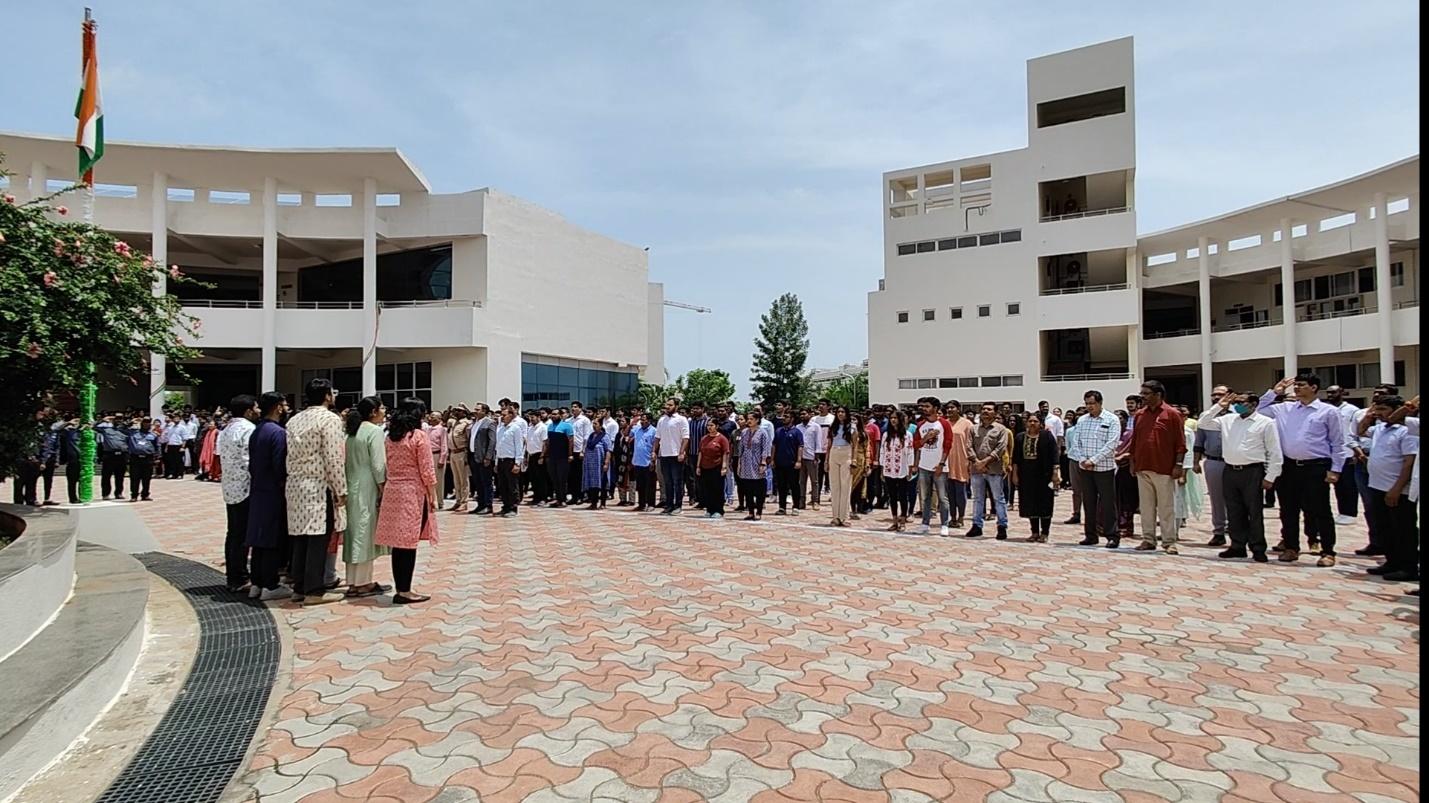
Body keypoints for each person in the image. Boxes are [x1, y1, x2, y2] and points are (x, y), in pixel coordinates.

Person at [1259, 372, 1348, 567]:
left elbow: (1338, 443)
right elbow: (1257, 409)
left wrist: (1336, 469)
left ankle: (1327, 550)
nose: (1297, 388)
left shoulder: (1328, 411)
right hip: (1289, 466)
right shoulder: (1284, 409)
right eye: (1296, 385)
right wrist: (1274, 392)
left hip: (1316, 466)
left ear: (1314, 387)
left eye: (1302, 385)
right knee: (1288, 509)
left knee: (1320, 510)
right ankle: (1291, 547)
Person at [285, 378, 348, 606]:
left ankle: (299, 586)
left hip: (295, 484)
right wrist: (341, 488)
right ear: (327, 396)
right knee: (319, 537)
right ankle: (314, 589)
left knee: (300, 537)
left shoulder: (294, 419)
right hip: (318, 485)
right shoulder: (329, 419)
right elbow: (333, 457)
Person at [1198, 391, 1281, 562]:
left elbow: (1274, 451)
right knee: (1234, 511)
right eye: (1236, 402)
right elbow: (1203, 422)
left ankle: (1258, 547)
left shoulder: (1265, 423)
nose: (1237, 405)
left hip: (1252, 471)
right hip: (1230, 470)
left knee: (1254, 512)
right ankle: (1237, 546)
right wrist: (1219, 406)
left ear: (1254, 404)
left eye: (1242, 402)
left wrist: (1271, 476)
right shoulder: (1227, 420)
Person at [374, 397, 439, 604]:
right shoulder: (418, 436)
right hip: (412, 492)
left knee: (399, 544)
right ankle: (404, 590)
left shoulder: (391, 437)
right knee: (409, 543)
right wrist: (433, 495)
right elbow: (427, 470)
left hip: (393, 490)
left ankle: (401, 587)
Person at [1359, 395, 1419, 582]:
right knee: (1385, 528)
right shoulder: (1380, 429)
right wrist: (1368, 417)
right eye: (1377, 409)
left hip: (1397, 490)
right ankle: (1392, 561)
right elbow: (1360, 431)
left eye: (1383, 409)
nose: (1379, 413)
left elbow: (1409, 462)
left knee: (1403, 530)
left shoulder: (1407, 431)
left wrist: (1397, 488)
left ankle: (1408, 567)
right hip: (1377, 486)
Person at [1123, 380, 1186, 555]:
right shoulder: (1140, 415)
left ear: (1158, 395)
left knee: (1166, 507)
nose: (1142, 397)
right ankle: (1148, 539)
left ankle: (1169, 541)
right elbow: (1135, 441)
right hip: (1143, 467)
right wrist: (1133, 462)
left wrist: (1178, 464)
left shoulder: (1172, 414)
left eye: (1146, 393)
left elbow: (1181, 443)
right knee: (1146, 506)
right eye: (1141, 393)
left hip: (1164, 468)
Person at [245, 393, 291, 600]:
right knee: (272, 538)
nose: (287, 408)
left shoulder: (257, 431)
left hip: (257, 489)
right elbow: (280, 465)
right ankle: (270, 585)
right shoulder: (278, 433)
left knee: (258, 538)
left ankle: (257, 582)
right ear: (278, 408)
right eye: (284, 404)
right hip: (273, 491)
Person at [343, 396, 391, 598]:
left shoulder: (351, 433)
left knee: (353, 531)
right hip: (367, 485)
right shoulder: (374, 431)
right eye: (381, 408)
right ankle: (363, 582)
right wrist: (383, 489)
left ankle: (353, 581)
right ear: (373, 412)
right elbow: (379, 465)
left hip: (351, 483)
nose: (384, 412)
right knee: (364, 530)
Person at [1349, 384, 1399, 557]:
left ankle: (1398, 550)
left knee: (1395, 510)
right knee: (1372, 506)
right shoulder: (1366, 417)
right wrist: (1360, 454)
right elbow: (1354, 435)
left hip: (1392, 468)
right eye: (1375, 394)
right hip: (1364, 462)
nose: (1376, 397)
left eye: (1382, 395)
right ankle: (1377, 542)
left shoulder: (1404, 424)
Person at [1066, 391, 1121, 547]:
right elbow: (1076, 442)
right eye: (1087, 403)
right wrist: (1083, 460)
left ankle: (1112, 535)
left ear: (1100, 403)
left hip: (1104, 468)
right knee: (1088, 502)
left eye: (1092, 403)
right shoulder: (1082, 420)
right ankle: (1090, 535)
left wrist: (1094, 460)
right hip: (1085, 468)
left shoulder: (1111, 419)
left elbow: (1112, 444)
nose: (1089, 406)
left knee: (1108, 502)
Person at [218, 395, 259, 593]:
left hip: (230, 487)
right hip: (246, 488)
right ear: (248, 411)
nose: (258, 411)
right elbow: (250, 460)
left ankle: (233, 575)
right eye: (256, 407)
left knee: (233, 533)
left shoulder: (225, 430)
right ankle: (240, 576)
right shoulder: (248, 429)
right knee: (243, 534)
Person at [1193, 386, 1232, 547]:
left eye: (1220, 394)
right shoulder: (1206, 417)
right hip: (1214, 461)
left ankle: (1237, 530)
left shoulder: (1238, 414)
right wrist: (1196, 462)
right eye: (1214, 395)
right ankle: (1219, 531)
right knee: (1216, 499)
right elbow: (1199, 442)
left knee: (1237, 499)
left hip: (1235, 462)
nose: (1216, 397)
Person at [1011, 412, 1059, 542]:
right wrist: (1015, 474)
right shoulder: (1020, 437)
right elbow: (1015, 458)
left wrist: (1055, 473)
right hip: (1027, 475)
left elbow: (1055, 455)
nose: (1032, 423)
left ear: (1041, 424)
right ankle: (1034, 532)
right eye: (1030, 421)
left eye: (1035, 421)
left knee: (1044, 503)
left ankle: (1045, 532)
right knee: (1030, 502)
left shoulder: (1047, 436)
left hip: (1044, 475)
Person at [966, 403, 1011, 539]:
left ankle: (1002, 526)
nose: (986, 411)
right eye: (984, 409)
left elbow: (1000, 448)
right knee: (978, 499)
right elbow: (968, 446)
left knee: (998, 498)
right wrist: (977, 463)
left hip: (994, 470)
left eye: (989, 409)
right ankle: (977, 526)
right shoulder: (973, 429)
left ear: (995, 413)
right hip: (976, 470)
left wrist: (984, 462)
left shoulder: (1001, 429)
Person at [912, 397, 952, 536]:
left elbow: (948, 445)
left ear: (935, 408)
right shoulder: (921, 425)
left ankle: (945, 524)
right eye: (922, 406)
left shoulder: (944, 424)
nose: (924, 409)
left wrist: (941, 463)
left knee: (942, 497)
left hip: (939, 466)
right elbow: (916, 445)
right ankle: (925, 523)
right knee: (925, 496)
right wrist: (925, 438)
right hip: (924, 466)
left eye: (927, 406)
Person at [1323, 384, 1362, 526]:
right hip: (1330, 453)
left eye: (1333, 393)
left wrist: (1355, 452)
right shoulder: (1327, 409)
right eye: (1328, 393)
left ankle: (1349, 513)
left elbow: (1356, 431)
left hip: (1347, 453)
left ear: (1342, 393)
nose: (1330, 395)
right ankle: (1340, 512)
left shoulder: (1352, 410)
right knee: (1337, 485)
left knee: (1348, 485)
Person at [654, 398, 690, 515]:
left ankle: (678, 505)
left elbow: (685, 437)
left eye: (670, 405)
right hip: (664, 454)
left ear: (676, 406)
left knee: (677, 481)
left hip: (676, 455)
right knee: (667, 482)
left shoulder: (681, 420)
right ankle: (669, 505)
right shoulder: (661, 420)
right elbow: (657, 437)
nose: (667, 407)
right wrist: (654, 451)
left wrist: (681, 452)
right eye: (666, 405)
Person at [880, 409, 914, 532]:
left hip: (902, 469)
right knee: (892, 496)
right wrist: (882, 468)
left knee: (903, 496)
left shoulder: (907, 435)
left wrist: (910, 469)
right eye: (891, 418)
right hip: (889, 469)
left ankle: (903, 520)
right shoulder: (886, 435)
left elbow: (910, 452)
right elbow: (882, 452)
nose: (893, 420)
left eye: (895, 418)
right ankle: (894, 520)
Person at [942, 401, 974, 528]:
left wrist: (971, 461)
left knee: (960, 491)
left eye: (952, 407)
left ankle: (961, 517)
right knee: (949, 493)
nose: (950, 410)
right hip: (945, 461)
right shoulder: (943, 423)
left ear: (958, 409)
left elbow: (971, 444)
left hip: (961, 461)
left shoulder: (967, 424)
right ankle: (952, 517)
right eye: (948, 408)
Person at [737, 411, 772, 521]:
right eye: (748, 418)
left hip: (757, 462)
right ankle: (751, 511)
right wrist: (739, 463)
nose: (749, 421)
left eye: (751, 419)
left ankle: (759, 511)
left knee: (759, 488)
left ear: (757, 420)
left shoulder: (763, 432)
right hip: (746, 462)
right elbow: (741, 449)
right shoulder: (744, 432)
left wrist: (763, 462)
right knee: (748, 489)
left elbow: (766, 449)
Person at [493, 405, 525, 516]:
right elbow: (498, 446)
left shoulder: (515, 428)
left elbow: (519, 446)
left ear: (511, 415)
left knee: (512, 486)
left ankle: (513, 508)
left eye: (504, 415)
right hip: (501, 460)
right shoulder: (500, 428)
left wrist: (517, 463)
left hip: (511, 460)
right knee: (503, 485)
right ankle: (505, 506)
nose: (502, 417)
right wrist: (496, 462)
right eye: (501, 415)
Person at [696, 418, 731, 518]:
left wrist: (724, 466)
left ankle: (718, 510)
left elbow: (725, 453)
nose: (709, 427)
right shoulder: (704, 438)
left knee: (717, 489)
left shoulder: (722, 439)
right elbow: (700, 453)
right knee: (707, 489)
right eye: (708, 426)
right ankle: (709, 509)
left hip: (717, 467)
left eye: (711, 425)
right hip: (705, 467)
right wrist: (698, 466)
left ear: (717, 426)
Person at [772, 411, 804, 515]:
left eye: (787, 417)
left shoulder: (797, 432)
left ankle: (796, 506)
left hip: (792, 463)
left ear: (792, 418)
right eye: (783, 416)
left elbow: (800, 446)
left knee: (794, 485)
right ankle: (782, 507)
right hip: (780, 463)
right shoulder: (778, 431)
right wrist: (772, 459)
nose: (784, 418)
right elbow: (774, 446)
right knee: (781, 486)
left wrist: (799, 460)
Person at [468, 404, 497, 515]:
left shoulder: (490, 423)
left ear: (484, 411)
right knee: (477, 482)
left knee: (486, 482)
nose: (475, 411)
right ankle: (480, 505)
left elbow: (492, 441)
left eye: (477, 410)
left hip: (484, 458)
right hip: (474, 456)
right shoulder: (475, 422)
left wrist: (488, 457)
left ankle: (488, 505)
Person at [543, 408, 574, 508]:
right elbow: (548, 442)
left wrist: (570, 454)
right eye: (552, 414)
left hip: (563, 456)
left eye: (555, 414)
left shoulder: (567, 426)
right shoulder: (550, 426)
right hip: (552, 456)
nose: (553, 416)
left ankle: (563, 500)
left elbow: (571, 441)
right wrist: (546, 455)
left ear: (560, 415)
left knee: (562, 479)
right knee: (554, 479)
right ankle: (557, 499)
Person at [96, 414, 131, 500]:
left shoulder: (125, 431)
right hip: (109, 455)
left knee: (120, 476)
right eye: (116, 419)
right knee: (106, 476)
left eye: (120, 419)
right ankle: (105, 494)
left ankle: (119, 493)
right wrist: (102, 420)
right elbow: (93, 427)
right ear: (113, 420)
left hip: (122, 455)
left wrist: (129, 423)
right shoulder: (106, 430)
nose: (118, 421)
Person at [126, 418, 159, 503]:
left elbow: (157, 447)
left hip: (148, 458)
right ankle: (134, 495)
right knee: (134, 478)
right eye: (145, 422)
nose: (146, 424)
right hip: (135, 458)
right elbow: (123, 428)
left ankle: (145, 495)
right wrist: (131, 421)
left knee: (147, 478)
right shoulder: (133, 433)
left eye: (148, 422)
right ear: (141, 424)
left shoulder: (153, 435)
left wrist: (157, 458)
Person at [630, 411, 657, 511]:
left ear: (649, 421)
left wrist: (653, 460)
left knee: (650, 485)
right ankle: (641, 504)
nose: (642, 422)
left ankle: (651, 504)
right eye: (641, 420)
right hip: (637, 461)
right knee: (640, 485)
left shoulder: (654, 431)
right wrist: (631, 423)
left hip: (648, 461)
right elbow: (627, 435)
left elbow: (655, 445)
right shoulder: (637, 429)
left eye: (644, 420)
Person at [447, 406, 472, 512]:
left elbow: (469, 439)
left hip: (462, 452)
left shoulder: (466, 424)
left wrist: (467, 455)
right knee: (456, 479)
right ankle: (458, 500)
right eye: (455, 411)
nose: (456, 412)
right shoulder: (453, 423)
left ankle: (464, 501)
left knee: (463, 479)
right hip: (453, 453)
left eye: (459, 411)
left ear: (464, 413)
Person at [581, 420, 610, 509]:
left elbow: (608, 450)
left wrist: (606, 463)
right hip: (590, 465)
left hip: (600, 464)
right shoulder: (591, 436)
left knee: (602, 482)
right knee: (592, 484)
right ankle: (593, 503)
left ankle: (603, 503)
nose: (594, 426)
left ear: (601, 425)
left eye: (596, 424)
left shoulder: (605, 436)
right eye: (593, 424)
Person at [568, 401, 593, 505]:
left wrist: (583, 450)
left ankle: (581, 496)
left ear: (580, 408)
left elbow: (587, 437)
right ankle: (573, 496)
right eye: (572, 407)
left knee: (580, 475)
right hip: (571, 451)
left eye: (575, 407)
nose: (573, 409)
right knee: (572, 475)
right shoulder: (569, 421)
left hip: (580, 451)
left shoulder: (584, 420)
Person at [798, 409, 823, 510]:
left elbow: (818, 442)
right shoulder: (798, 427)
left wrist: (817, 456)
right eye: (801, 414)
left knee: (814, 481)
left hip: (811, 457)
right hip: (801, 457)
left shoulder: (815, 426)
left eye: (804, 413)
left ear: (809, 414)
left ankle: (815, 501)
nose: (802, 415)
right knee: (801, 481)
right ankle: (801, 501)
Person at [524, 408, 550, 505]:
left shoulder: (543, 427)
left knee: (541, 478)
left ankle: (543, 498)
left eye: (533, 417)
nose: (531, 419)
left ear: (539, 417)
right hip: (531, 455)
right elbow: (527, 443)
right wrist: (526, 456)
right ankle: (536, 497)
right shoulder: (530, 428)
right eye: (530, 417)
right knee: (533, 478)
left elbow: (545, 443)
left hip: (539, 455)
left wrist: (542, 456)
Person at [848, 413, 870, 520]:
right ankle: (849, 509)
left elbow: (867, 449)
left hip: (860, 461)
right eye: (851, 419)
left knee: (859, 487)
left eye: (855, 419)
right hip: (848, 460)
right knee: (849, 487)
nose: (853, 421)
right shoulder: (846, 432)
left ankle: (856, 509)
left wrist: (867, 464)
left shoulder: (864, 434)